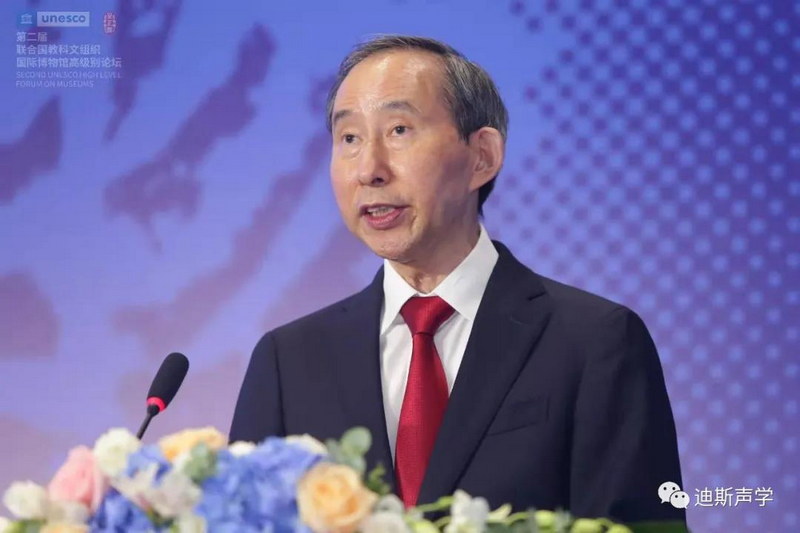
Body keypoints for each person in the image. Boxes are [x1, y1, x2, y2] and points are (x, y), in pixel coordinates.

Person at [230, 35, 685, 525]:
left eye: (399, 130)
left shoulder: (595, 341)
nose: (368, 170)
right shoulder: (288, 362)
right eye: (349, 139)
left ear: (482, 156)